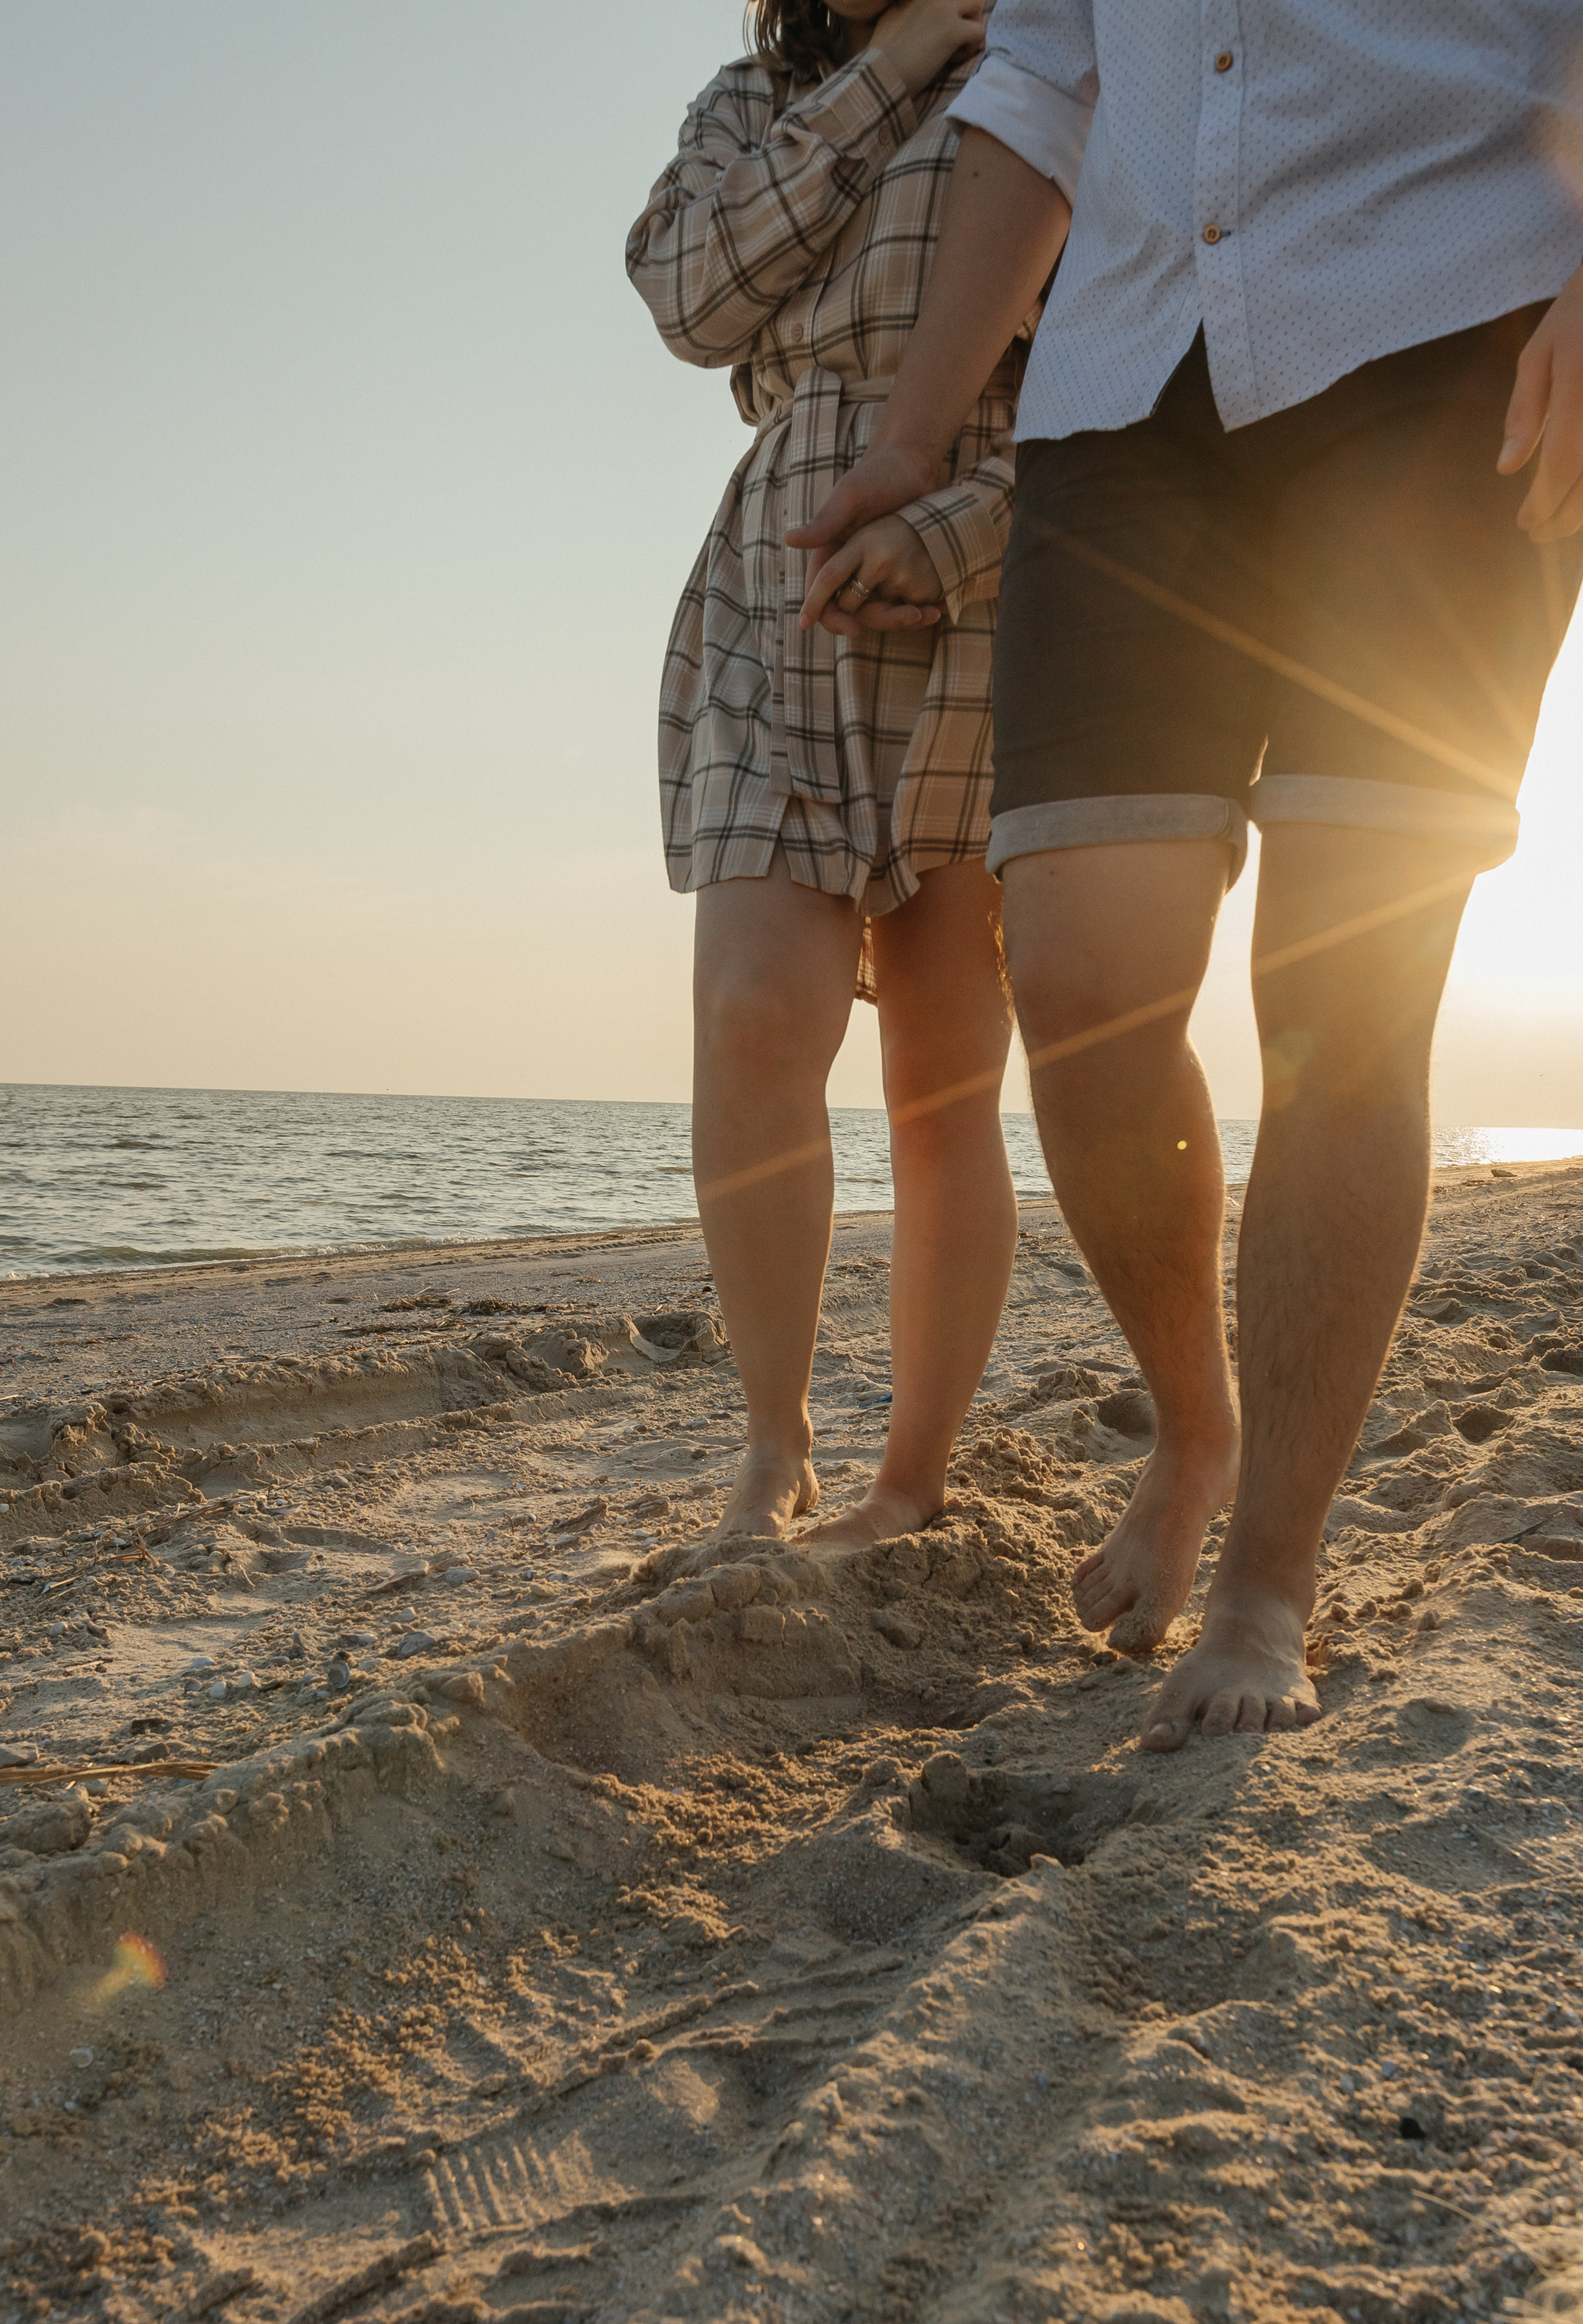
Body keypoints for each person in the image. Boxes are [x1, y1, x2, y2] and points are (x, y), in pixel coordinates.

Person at [792, 0, 1583, 1734]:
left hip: (1450, 328)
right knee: (1088, 988)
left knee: (1345, 995)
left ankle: (1267, 1576)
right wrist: (909, 432)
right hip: (1120, 388)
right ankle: (1193, 1422)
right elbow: (1043, 91)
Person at [628, 0, 1050, 1554]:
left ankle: (913, 1472)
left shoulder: (1052, 71)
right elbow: (689, 298)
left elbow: (1106, 352)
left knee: (943, 1079)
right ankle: (770, 1443)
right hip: (771, 588)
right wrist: (893, 65)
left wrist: (949, 535)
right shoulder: (754, 96)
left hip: (977, 585)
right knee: (752, 1011)